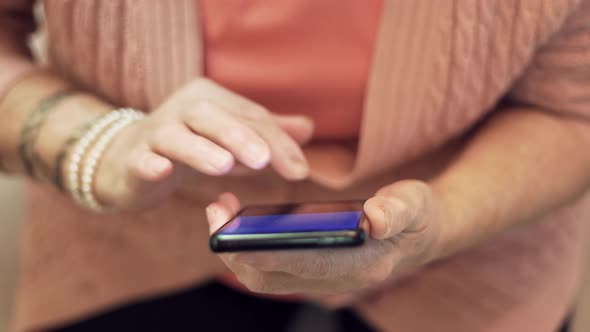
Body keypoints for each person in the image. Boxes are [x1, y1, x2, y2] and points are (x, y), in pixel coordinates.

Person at [1, 1, 589, 331]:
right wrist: (93, 145)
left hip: (477, 238)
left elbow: (573, 108)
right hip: (125, 237)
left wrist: (445, 220)